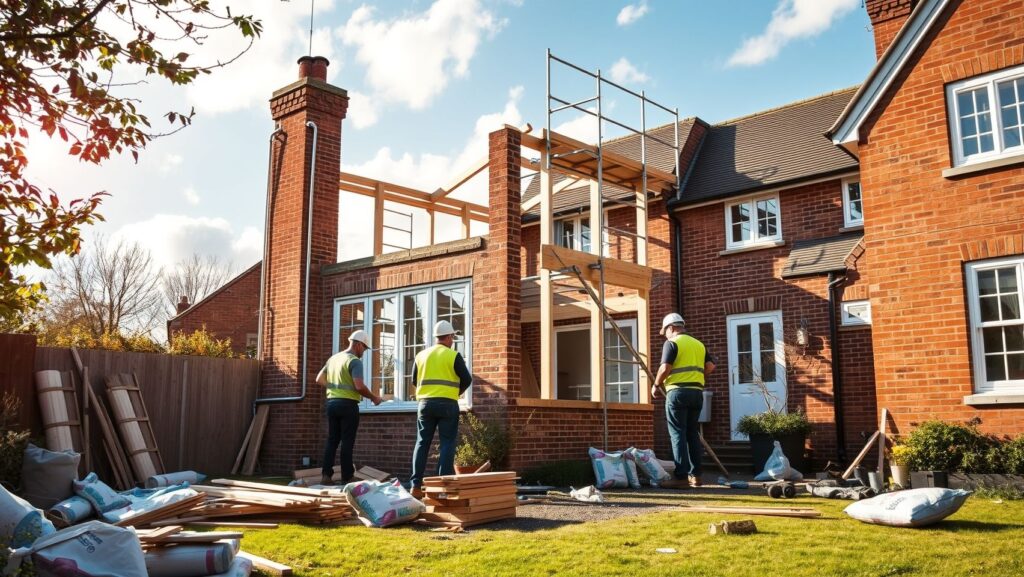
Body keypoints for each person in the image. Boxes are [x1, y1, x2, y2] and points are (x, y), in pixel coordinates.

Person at [409, 320, 473, 496]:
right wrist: (456, 392)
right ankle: (443, 486)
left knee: (422, 442)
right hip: (447, 404)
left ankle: (415, 485)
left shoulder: (421, 355)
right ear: (450, 336)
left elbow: (414, 380)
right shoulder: (452, 355)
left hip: (425, 404)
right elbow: (467, 379)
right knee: (447, 443)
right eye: (453, 337)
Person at [652, 313, 715, 489]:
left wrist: (656, 384)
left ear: (671, 328)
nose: (665, 335)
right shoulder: (698, 344)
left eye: (665, 331)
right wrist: (695, 376)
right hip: (696, 393)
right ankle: (696, 476)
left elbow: (665, 367)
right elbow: (710, 366)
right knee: (692, 434)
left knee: (677, 434)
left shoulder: (672, 343)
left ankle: (680, 477)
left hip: (677, 393)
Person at [316, 330, 382, 485]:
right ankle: (347, 477)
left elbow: (319, 379)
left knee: (332, 440)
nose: (364, 352)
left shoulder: (334, 358)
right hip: (348, 406)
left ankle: (326, 475)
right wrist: (374, 398)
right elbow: (359, 386)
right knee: (347, 442)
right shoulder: (354, 361)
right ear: (358, 344)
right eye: (364, 348)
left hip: (332, 403)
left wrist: (335, 388)